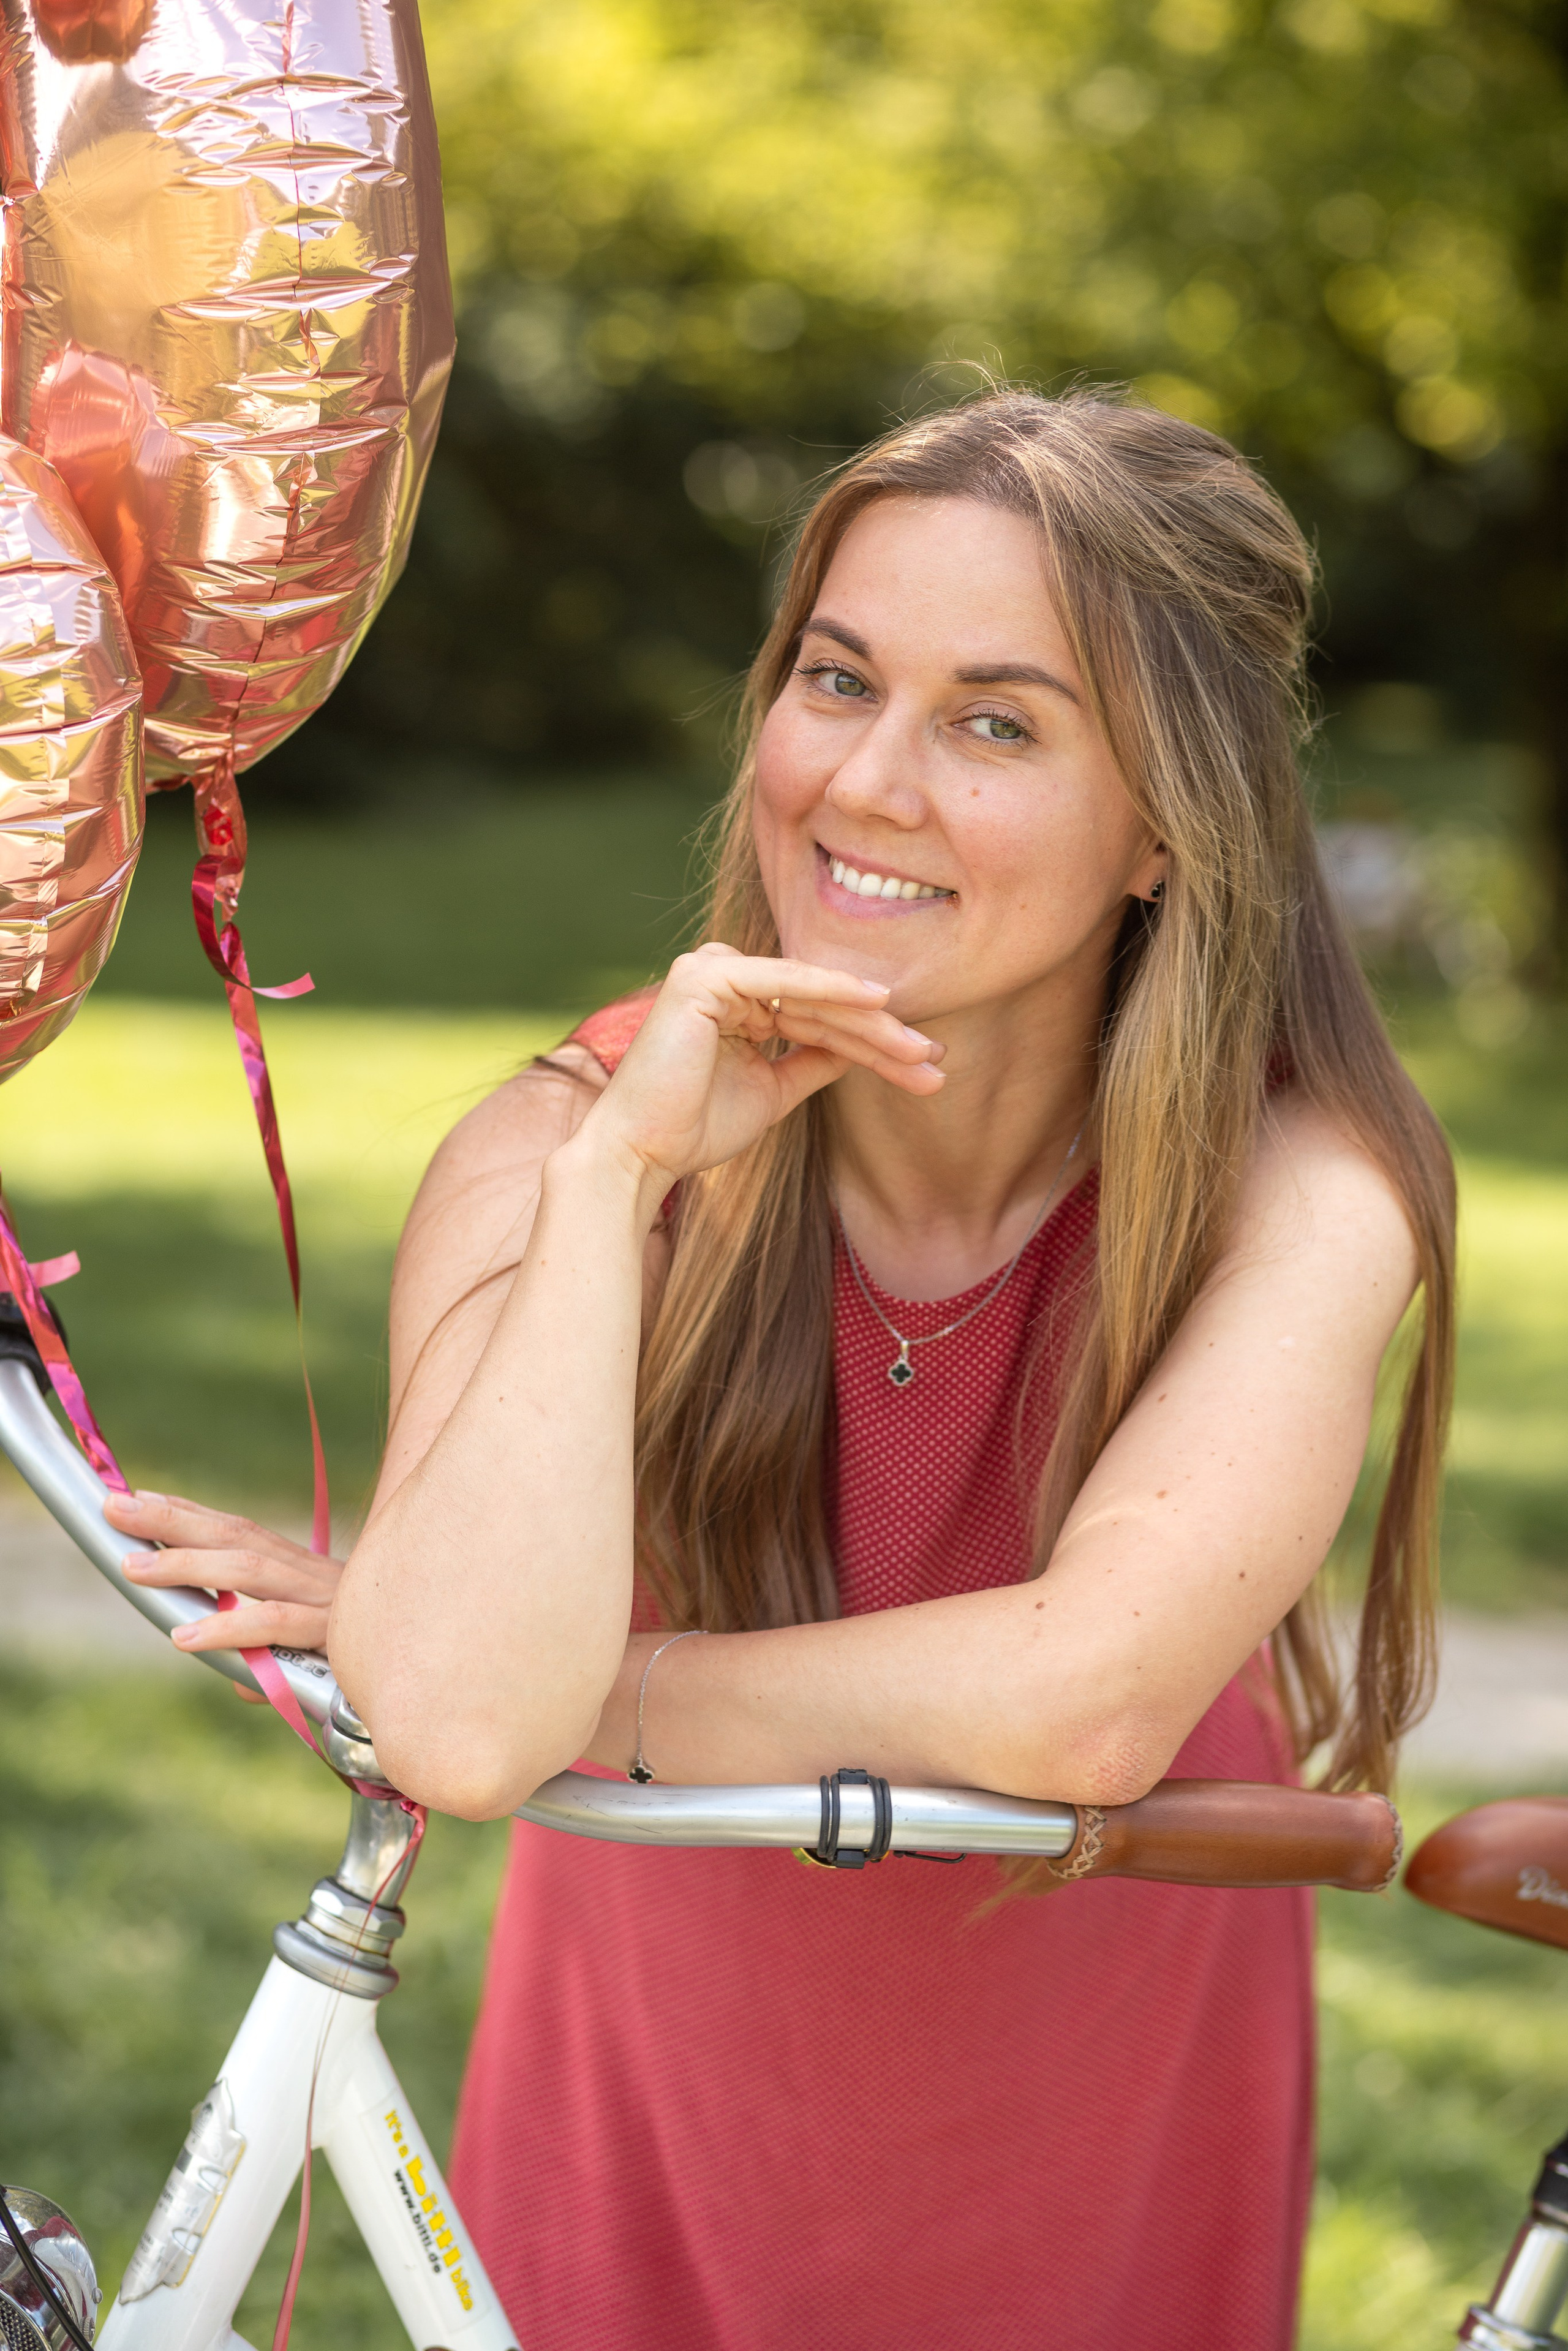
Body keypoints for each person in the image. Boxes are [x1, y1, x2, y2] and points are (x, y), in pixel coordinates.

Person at [107, 388, 1456, 2350]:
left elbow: (1086, 1706)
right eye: (838, 680)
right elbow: (473, 1733)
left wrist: (616, 1687)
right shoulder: (560, 1140)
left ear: (1166, 826)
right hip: (662, 2085)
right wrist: (622, 1180)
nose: (868, 782)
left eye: (996, 722)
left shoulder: (1307, 1185)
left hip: (1087, 2079)